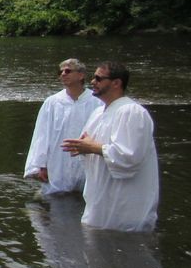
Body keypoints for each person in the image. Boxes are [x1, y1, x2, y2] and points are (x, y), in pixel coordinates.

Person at [62, 61, 160, 232]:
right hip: (99, 203)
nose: (92, 81)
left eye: (99, 78)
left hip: (125, 209)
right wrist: (83, 147)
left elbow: (129, 157)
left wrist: (92, 147)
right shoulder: (98, 113)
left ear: (116, 83)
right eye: (93, 77)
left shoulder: (131, 112)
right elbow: (89, 144)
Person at [23, 58, 99, 196]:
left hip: (88, 162)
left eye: (68, 70)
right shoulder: (52, 103)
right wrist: (40, 165)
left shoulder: (96, 102)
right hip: (58, 162)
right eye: (60, 72)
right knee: (53, 201)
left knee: (87, 197)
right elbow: (41, 135)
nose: (63, 74)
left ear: (81, 75)